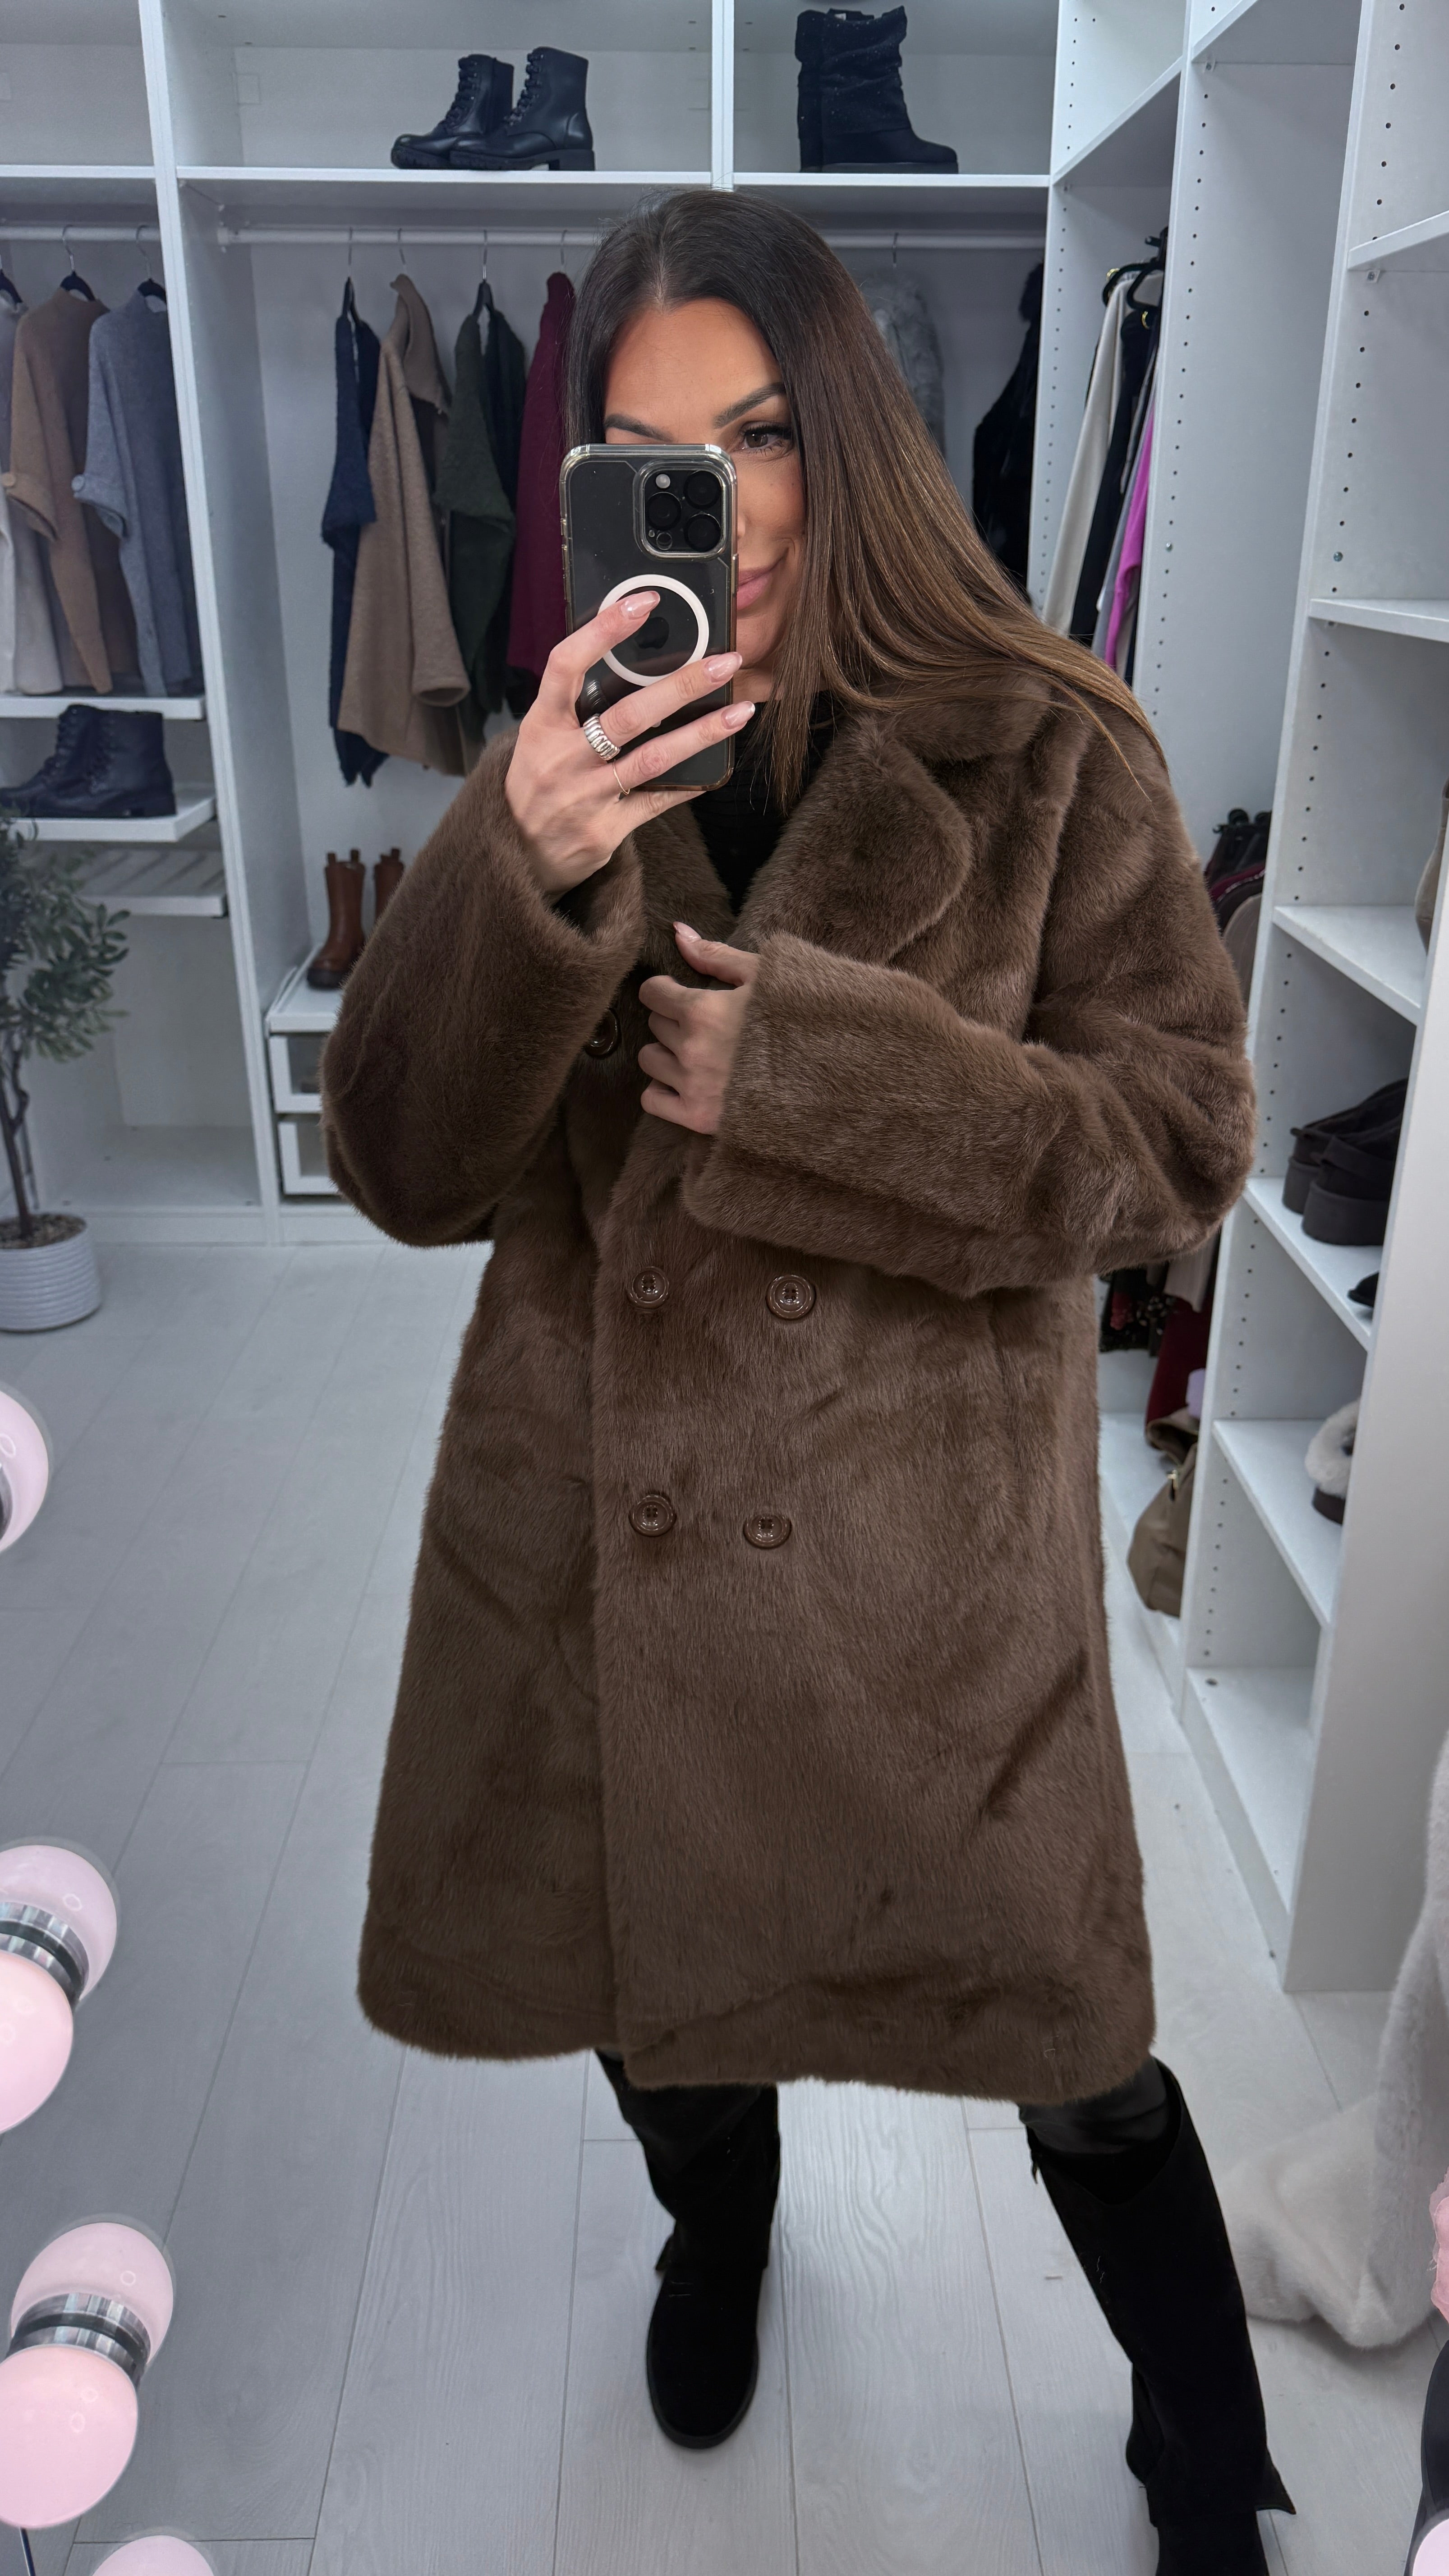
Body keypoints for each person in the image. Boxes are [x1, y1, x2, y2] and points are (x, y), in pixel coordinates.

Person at [322, 190, 1291, 2574]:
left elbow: (1178, 1147)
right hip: (605, 1548)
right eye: (659, 457)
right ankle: (719, 2233)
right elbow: (407, 1172)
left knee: (1076, 2057)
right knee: (659, 2001)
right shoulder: (565, 759)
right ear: (591, 486)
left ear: (847, 437)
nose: (725, 514)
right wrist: (516, 873)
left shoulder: (1053, 751)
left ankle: (1203, 2438)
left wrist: (830, 1083)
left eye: (761, 438)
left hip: (923, 1581)